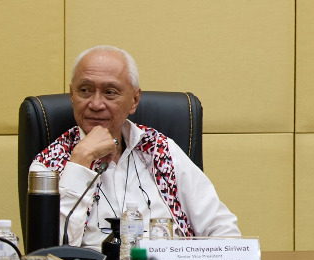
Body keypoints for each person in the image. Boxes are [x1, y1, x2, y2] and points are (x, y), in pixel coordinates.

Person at [30, 45, 239, 247]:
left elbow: (223, 231)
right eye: (85, 90)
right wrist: (81, 161)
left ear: (134, 100)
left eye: (110, 92)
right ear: (72, 95)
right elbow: (49, 252)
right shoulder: (48, 166)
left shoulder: (161, 150)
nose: (96, 104)